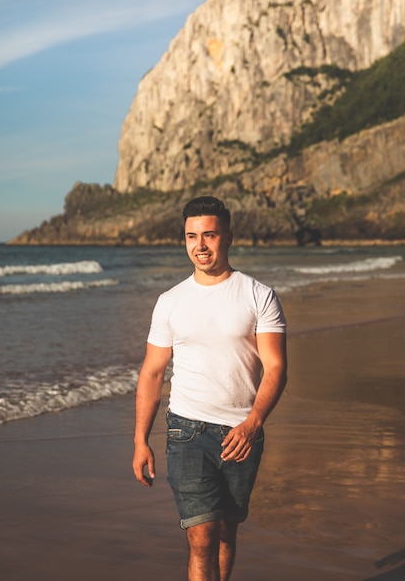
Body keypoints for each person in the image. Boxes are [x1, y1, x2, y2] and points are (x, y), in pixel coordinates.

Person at [133, 196, 287, 581]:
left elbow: (276, 367)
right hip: (187, 432)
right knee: (200, 537)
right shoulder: (169, 302)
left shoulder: (259, 295)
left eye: (209, 235)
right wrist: (140, 440)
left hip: (242, 433)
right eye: (191, 236)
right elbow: (152, 373)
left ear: (228, 238)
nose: (200, 245)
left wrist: (253, 423)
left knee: (225, 531)